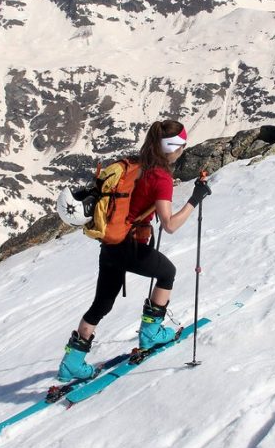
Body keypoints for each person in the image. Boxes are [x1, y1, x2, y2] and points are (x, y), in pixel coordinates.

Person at [58, 120, 212, 382]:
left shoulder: (136, 163)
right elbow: (170, 224)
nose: (183, 151)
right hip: (129, 245)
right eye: (181, 146)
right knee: (167, 273)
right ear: (172, 148)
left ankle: (72, 363)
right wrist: (196, 198)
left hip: (111, 242)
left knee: (102, 303)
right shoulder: (161, 177)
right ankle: (150, 333)